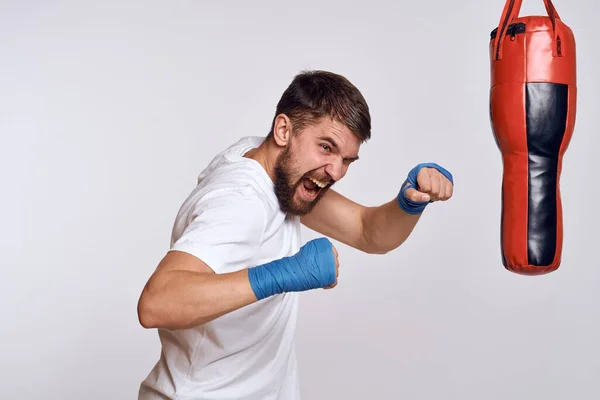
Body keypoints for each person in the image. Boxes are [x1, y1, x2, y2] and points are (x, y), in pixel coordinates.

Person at [136, 70, 454, 400]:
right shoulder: (243, 200)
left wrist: (409, 203)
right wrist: (284, 274)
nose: (337, 171)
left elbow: (367, 232)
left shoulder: (276, 169)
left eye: (347, 160)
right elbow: (156, 303)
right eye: (326, 148)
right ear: (284, 130)